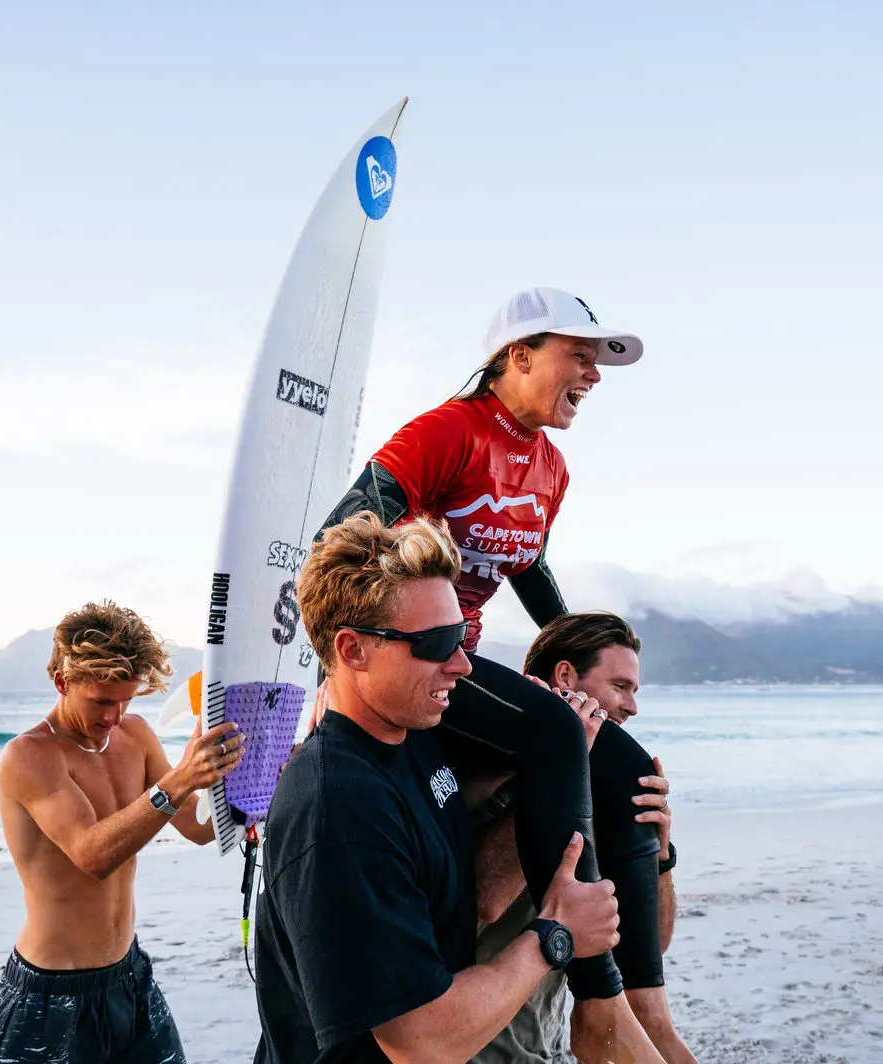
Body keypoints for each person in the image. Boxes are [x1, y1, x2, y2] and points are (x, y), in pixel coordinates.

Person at [316, 287, 670, 1062]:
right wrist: (343, 664)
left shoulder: (551, 469)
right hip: (420, 654)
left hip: (466, 663)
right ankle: (598, 997)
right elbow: (339, 534)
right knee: (555, 732)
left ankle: (642, 1005)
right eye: (580, 356)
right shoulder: (448, 433)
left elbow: (528, 566)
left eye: (599, 361)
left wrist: (572, 652)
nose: (594, 375)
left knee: (626, 766)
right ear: (518, 356)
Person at [253, 513, 626, 1063]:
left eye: (462, 637)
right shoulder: (337, 807)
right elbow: (421, 1042)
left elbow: (459, 886)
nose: (462, 664)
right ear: (353, 650)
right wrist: (556, 935)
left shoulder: (412, 739)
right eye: (437, 643)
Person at [0, 600, 246, 1064]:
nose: (114, 716)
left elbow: (199, 828)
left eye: (127, 700)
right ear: (62, 682)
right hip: (50, 992)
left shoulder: (135, 737)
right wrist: (179, 781)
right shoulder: (30, 756)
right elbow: (92, 855)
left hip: (129, 977)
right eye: (101, 701)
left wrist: (247, 776)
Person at [471, 612, 697, 1064]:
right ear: (565, 677)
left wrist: (660, 856)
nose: (632, 707)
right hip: (479, 1048)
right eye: (620, 687)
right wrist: (558, 772)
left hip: (548, 1046)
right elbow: (484, 900)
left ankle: (646, 1022)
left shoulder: (600, 789)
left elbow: (650, 945)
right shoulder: (490, 769)